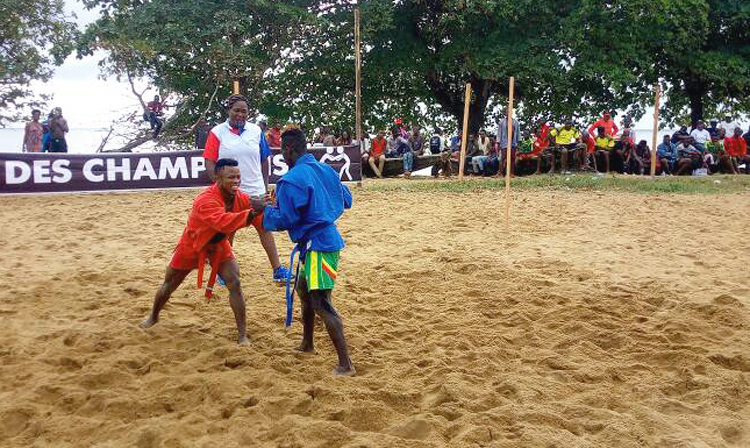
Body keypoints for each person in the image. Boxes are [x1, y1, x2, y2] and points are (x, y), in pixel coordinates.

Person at [258, 127, 355, 375]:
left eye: (282, 151)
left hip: (318, 247)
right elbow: (347, 200)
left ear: (289, 150)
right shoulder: (326, 170)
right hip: (325, 241)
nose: (282, 156)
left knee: (321, 302)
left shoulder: (290, 181)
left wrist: (266, 210)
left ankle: (345, 365)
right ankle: (307, 343)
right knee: (303, 288)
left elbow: (285, 220)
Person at [140, 158, 262, 345]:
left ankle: (242, 335)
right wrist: (253, 212)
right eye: (231, 177)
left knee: (234, 282)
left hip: (219, 246)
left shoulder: (241, 197)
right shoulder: (205, 200)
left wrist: (270, 207)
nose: (236, 181)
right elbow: (223, 221)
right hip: (192, 245)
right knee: (169, 284)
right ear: (218, 178)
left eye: (238, 177)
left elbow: (258, 216)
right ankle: (154, 315)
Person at [203, 94, 289, 283]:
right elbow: (209, 161)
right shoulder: (217, 132)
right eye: (237, 110)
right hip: (230, 194)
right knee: (227, 232)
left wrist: (265, 187)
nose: (240, 114)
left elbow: (264, 159)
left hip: (256, 191)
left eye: (244, 111)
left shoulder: (256, 131)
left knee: (265, 229)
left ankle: (278, 270)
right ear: (229, 111)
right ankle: (223, 272)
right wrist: (219, 186)